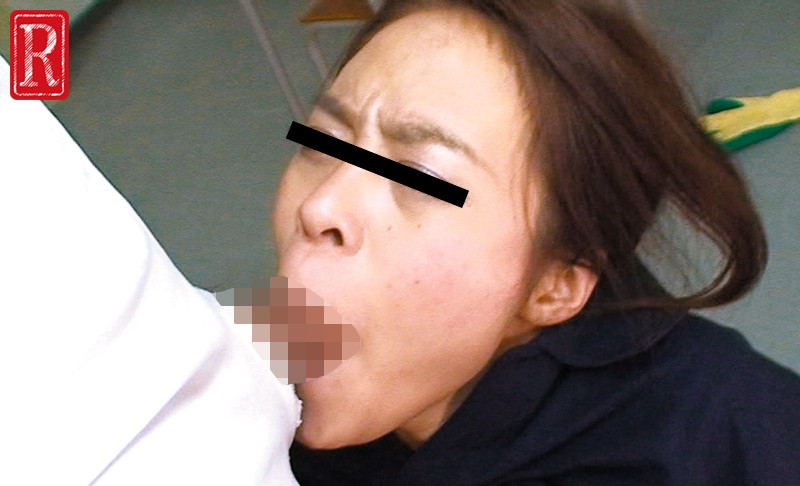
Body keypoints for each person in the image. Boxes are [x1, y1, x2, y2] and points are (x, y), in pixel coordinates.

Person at [279, 0, 800, 484]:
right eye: (322, 143)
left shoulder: (736, 436)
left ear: (556, 285)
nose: (319, 206)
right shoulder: (261, 386)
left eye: (421, 178)